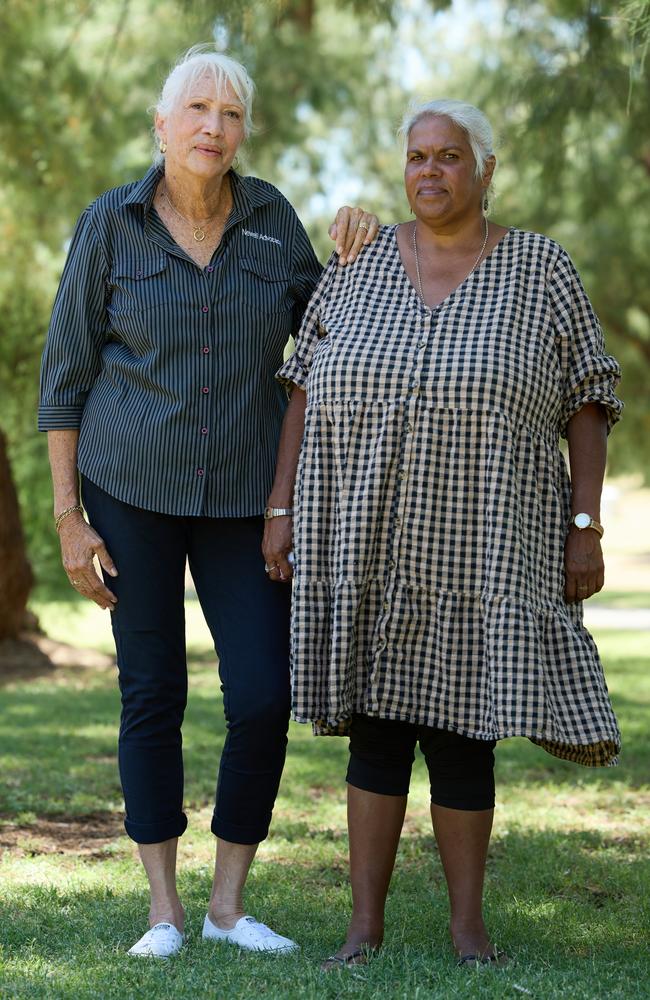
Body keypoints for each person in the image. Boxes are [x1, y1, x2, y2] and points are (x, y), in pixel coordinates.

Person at [263, 98, 622, 968]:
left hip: (487, 545)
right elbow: (302, 383)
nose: (430, 171)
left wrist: (585, 523)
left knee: (465, 735)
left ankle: (469, 932)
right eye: (418, 156)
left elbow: (590, 396)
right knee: (378, 730)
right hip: (366, 539)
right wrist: (279, 509)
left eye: (450, 157)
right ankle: (363, 929)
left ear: (484, 169)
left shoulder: (540, 269)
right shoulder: (358, 262)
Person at [38, 45, 379, 959]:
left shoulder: (273, 221)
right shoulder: (108, 225)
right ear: (162, 124)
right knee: (152, 691)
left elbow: (329, 336)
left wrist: (359, 250)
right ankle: (165, 911)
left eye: (230, 114)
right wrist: (70, 517)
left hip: (243, 498)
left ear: (244, 130)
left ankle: (229, 904)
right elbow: (64, 380)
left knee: (264, 693)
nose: (212, 127)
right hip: (128, 492)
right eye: (196, 109)